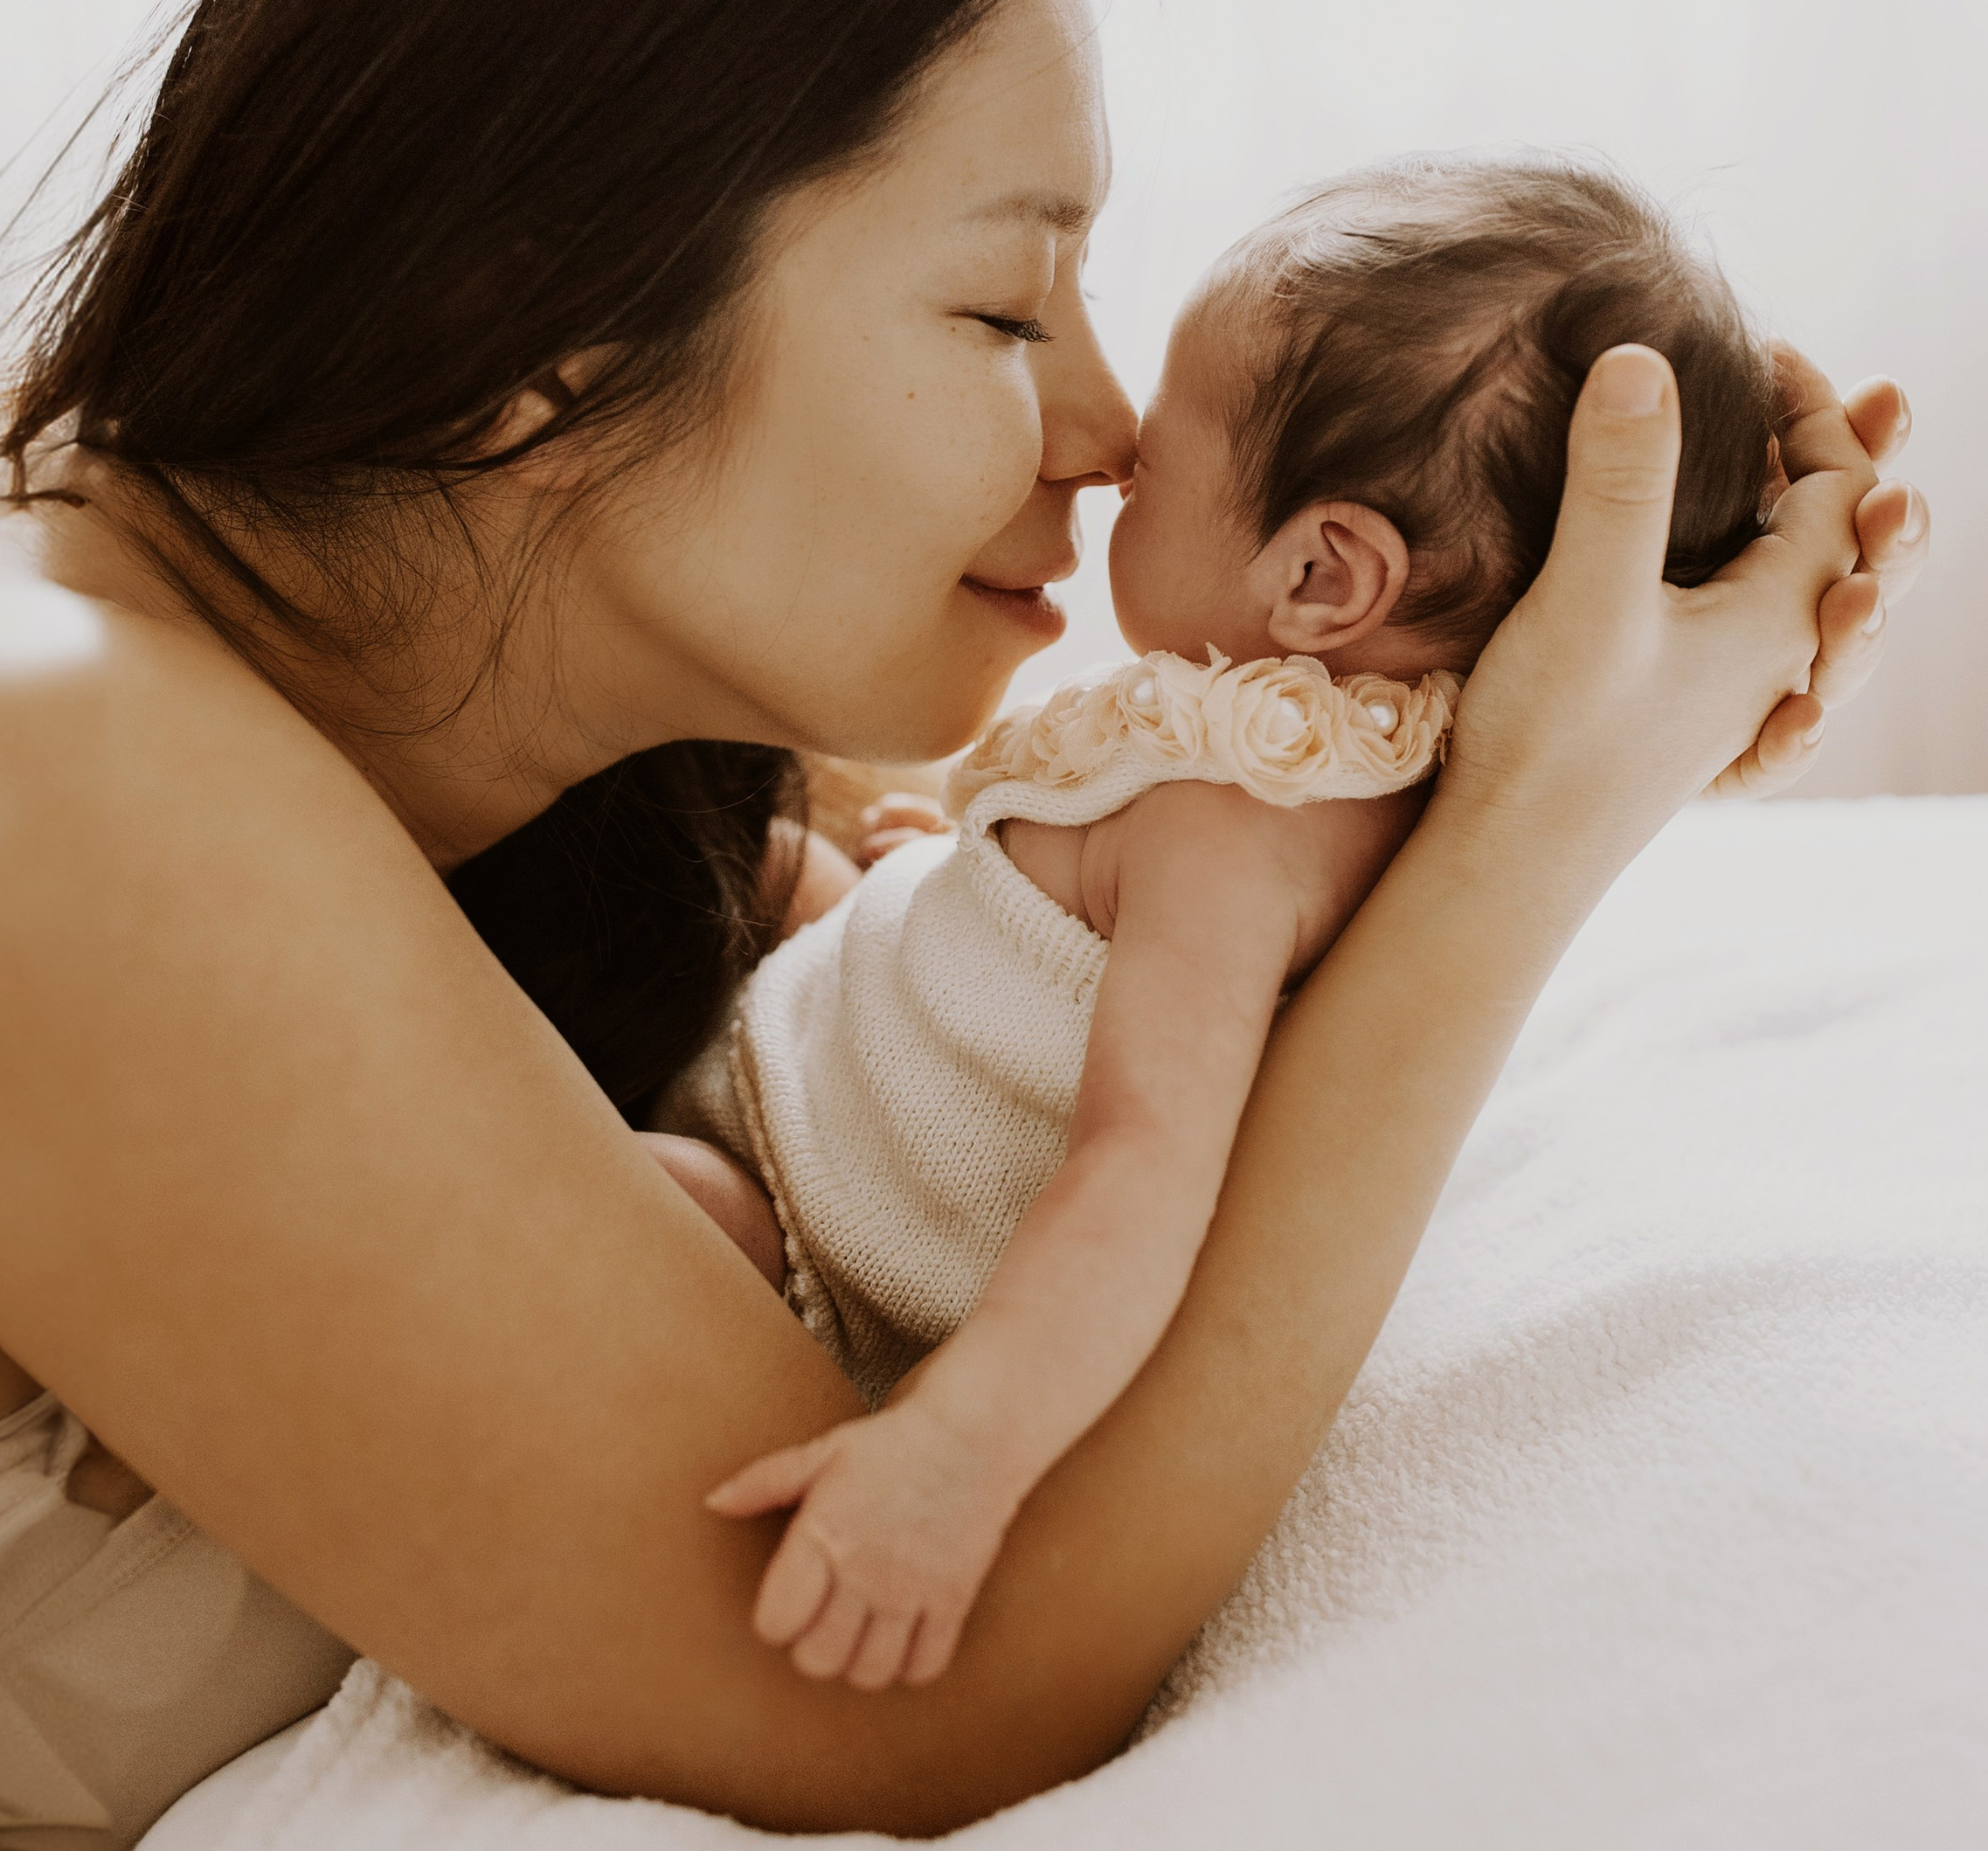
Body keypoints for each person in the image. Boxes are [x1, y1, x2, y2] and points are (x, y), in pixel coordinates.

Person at [0, 0, 1923, 1851]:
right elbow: (898, 1703)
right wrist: (1528, 841)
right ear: (522, 331)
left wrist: (1503, 655)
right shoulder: (26, 753)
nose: (1102, 424)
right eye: (997, 311)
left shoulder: (514, 727)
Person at [660, 157, 1783, 1686]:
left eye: (1165, 459)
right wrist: (974, 876)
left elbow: (1136, 1168)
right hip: (870, 1013)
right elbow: (1068, 966)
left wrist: (959, 1450)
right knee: (788, 851)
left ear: (1322, 575)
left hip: (795, 1210)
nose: (1117, 448)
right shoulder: (1322, 773)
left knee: (642, 1198)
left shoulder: (1230, 823)